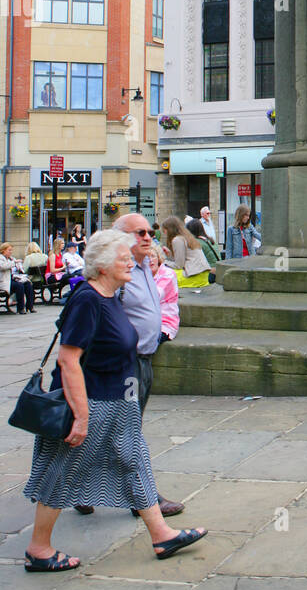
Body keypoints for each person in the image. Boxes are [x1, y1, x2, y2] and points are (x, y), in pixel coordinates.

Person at [21, 229, 207, 571]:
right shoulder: (88, 299)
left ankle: (161, 534)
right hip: (94, 403)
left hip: (119, 401)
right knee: (63, 472)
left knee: (136, 464)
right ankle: (39, 549)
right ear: (103, 266)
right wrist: (80, 416)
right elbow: (68, 359)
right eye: (124, 259)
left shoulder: (110, 296)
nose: (132, 264)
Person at [112, 214, 185, 516]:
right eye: (139, 232)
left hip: (144, 359)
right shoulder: (118, 271)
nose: (147, 236)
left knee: (119, 429)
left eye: (150, 231)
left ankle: (84, 489)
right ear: (121, 238)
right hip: (124, 365)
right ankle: (144, 498)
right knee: (129, 432)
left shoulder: (144, 266)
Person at [161, 215, 211, 288]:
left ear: (169, 229)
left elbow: (178, 265)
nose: (164, 232)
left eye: (164, 230)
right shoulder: (187, 237)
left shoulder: (177, 240)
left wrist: (163, 262)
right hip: (203, 275)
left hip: (193, 276)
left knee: (164, 277)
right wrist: (170, 254)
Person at [147, 242, 180, 341]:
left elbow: (154, 296)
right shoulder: (143, 274)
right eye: (146, 257)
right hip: (146, 323)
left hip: (164, 324)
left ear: (159, 258)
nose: (150, 260)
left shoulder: (168, 274)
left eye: (153, 256)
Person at [0, 243, 35, 313]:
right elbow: (3, 266)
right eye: (9, 250)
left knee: (27, 284)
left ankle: (30, 306)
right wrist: (14, 263)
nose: (11, 252)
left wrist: (19, 267)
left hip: (13, 279)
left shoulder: (12, 258)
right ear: (3, 250)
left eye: (11, 250)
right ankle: (20, 308)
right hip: (4, 281)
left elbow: (20, 269)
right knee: (19, 286)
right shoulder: (1, 258)